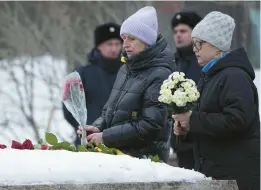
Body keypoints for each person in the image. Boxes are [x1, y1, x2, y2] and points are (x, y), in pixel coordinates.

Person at [173, 11, 260, 190]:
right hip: (218, 174)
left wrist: (192, 120)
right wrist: (185, 129)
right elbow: (209, 123)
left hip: (235, 176)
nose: (194, 48)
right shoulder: (211, 76)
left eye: (199, 43)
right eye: (194, 43)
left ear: (217, 45)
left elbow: (237, 120)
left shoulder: (234, 76)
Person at [78, 6, 174, 163]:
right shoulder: (125, 68)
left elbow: (150, 125)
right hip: (121, 157)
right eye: (124, 38)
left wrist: (105, 137)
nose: (125, 44)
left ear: (146, 40)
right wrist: (98, 127)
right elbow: (110, 111)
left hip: (145, 162)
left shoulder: (160, 74)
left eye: (132, 38)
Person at [63, 22, 123, 145]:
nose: (114, 48)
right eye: (109, 44)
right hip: (88, 142)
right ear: (98, 46)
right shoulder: (82, 73)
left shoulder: (128, 72)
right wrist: (83, 128)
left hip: (121, 142)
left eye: (117, 44)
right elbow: (68, 106)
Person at [170, 11, 202, 170]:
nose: (178, 35)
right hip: (179, 140)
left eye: (183, 31)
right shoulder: (172, 62)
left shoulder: (203, 62)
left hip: (201, 137)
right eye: (175, 32)